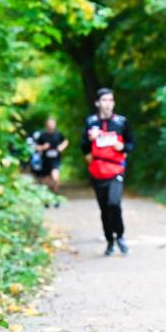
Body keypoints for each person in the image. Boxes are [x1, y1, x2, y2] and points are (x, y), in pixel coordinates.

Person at [80, 88, 134, 256]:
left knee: (114, 203)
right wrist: (90, 141)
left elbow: (131, 143)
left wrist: (123, 147)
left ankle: (121, 236)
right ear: (97, 103)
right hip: (98, 171)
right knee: (104, 208)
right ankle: (109, 240)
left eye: (110, 100)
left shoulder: (121, 122)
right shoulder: (91, 123)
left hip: (116, 169)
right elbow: (83, 147)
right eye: (104, 100)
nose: (108, 104)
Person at [32, 117, 68, 200]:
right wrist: (42, 147)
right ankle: (47, 197)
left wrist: (61, 147)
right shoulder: (42, 135)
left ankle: (56, 194)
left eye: (52, 123)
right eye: (50, 124)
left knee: (55, 177)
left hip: (55, 160)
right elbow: (35, 146)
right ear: (46, 125)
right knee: (46, 181)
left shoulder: (58, 134)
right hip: (45, 161)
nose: (51, 125)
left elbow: (65, 141)